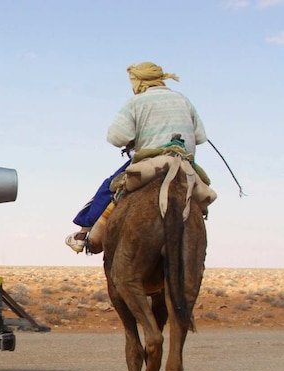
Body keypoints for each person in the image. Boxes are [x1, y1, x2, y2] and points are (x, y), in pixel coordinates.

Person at [66, 61, 207, 254]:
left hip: (150, 162)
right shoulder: (183, 99)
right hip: (184, 164)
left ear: (139, 81)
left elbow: (117, 138)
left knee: (109, 188)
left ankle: (83, 233)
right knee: (201, 193)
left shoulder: (136, 102)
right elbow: (200, 137)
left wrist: (135, 138)